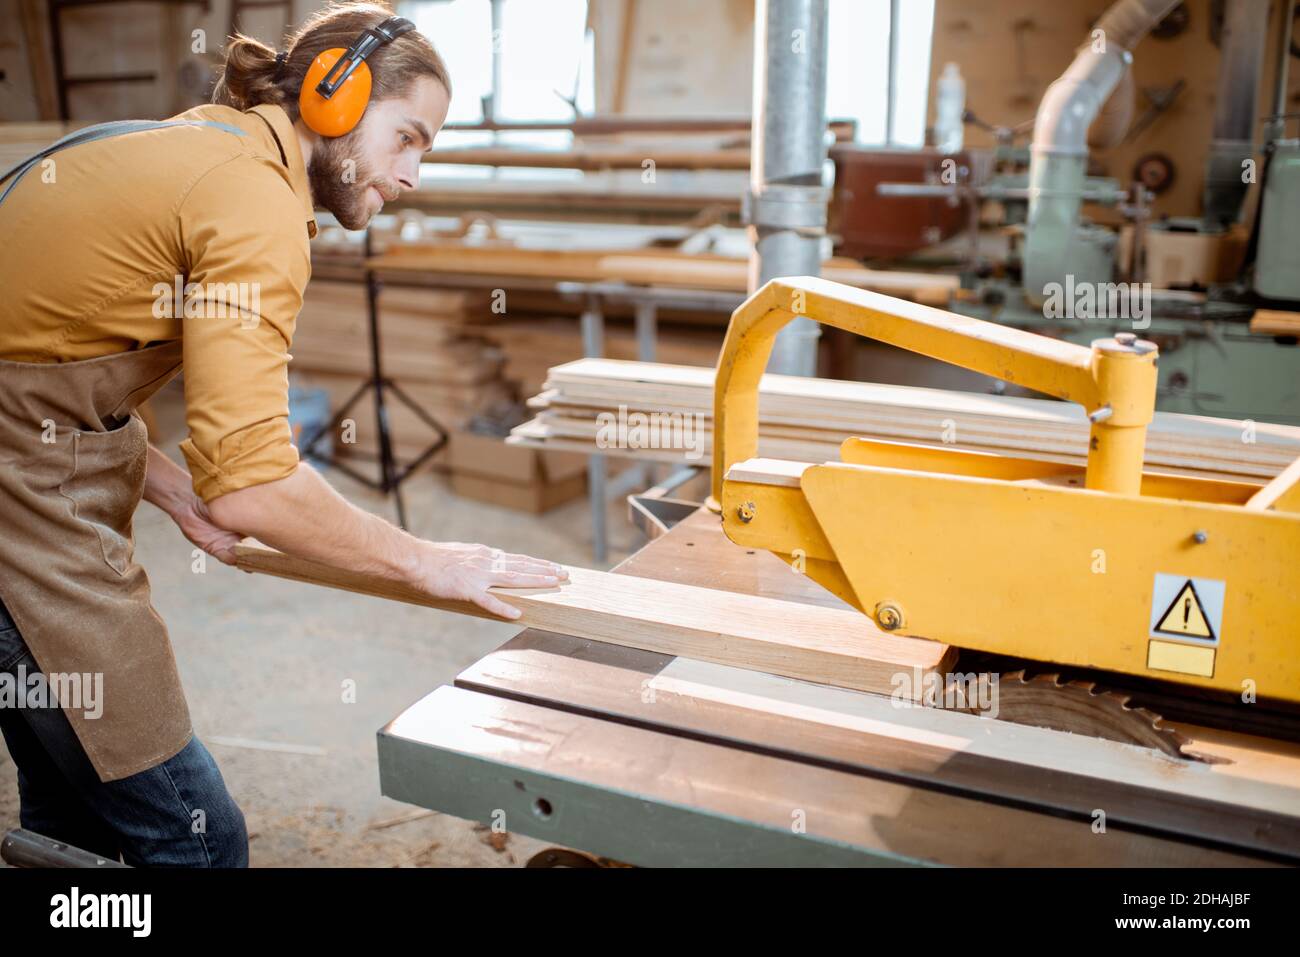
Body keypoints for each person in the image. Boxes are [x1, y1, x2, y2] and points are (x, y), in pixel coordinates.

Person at [0, 2, 565, 867]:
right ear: (337, 96)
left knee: (70, 811)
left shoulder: (207, 144)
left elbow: (54, 353)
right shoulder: (255, 201)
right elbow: (253, 483)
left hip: (22, 468)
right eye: (407, 137)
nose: (414, 174)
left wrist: (166, 483)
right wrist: (426, 559)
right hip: (17, 514)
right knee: (196, 837)